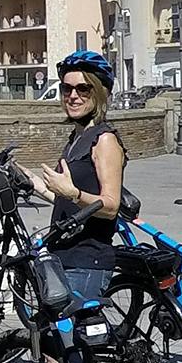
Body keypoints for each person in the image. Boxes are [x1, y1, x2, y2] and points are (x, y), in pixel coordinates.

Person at [29, 50, 126, 306]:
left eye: (83, 89)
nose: (73, 96)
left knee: (76, 343)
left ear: (99, 92)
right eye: (67, 89)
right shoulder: (77, 138)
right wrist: (32, 183)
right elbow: (68, 203)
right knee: (58, 341)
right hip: (63, 256)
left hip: (87, 262)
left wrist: (73, 193)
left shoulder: (104, 140)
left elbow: (111, 205)